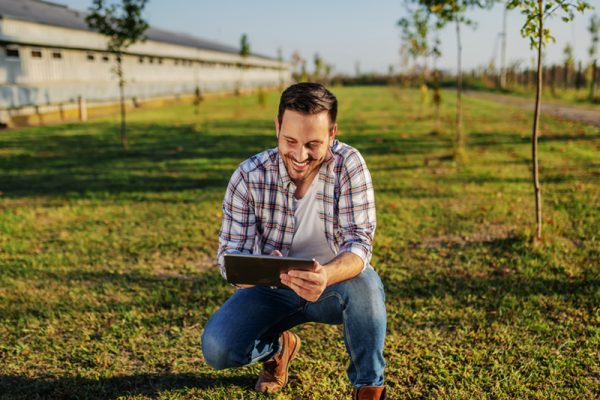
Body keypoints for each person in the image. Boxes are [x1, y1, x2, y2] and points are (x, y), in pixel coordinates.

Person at [202, 82, 387, 400]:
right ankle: (278, 349)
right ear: (277, 126)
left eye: (313, 144)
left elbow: (359, 244)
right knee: (218, 349)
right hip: (272, 290)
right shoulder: (249, 176)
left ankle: (369, 387)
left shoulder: (349, 166)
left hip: (334, 286)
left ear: (332, 134)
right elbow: (229, 256)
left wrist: (325, 275)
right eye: (290, 141)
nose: (300, 156)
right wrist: (259, 268)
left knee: (366, 286)